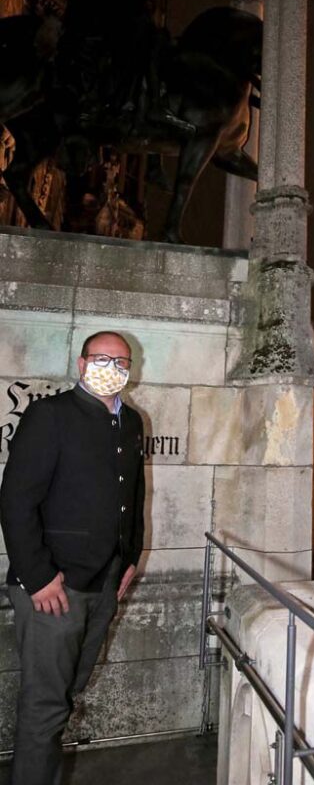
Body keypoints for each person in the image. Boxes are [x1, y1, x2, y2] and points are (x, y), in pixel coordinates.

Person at [0, 330, 145, 785]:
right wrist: (38, 576)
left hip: (104, 583)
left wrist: (131, 557)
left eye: (122, 362)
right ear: (81, 365)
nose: (112, 369)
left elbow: (133, 496)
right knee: (45, 707)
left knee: (66, 695)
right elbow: (15, 500)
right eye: (102, 359)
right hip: (52, 588)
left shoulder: (132, 421)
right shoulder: (50, 415)